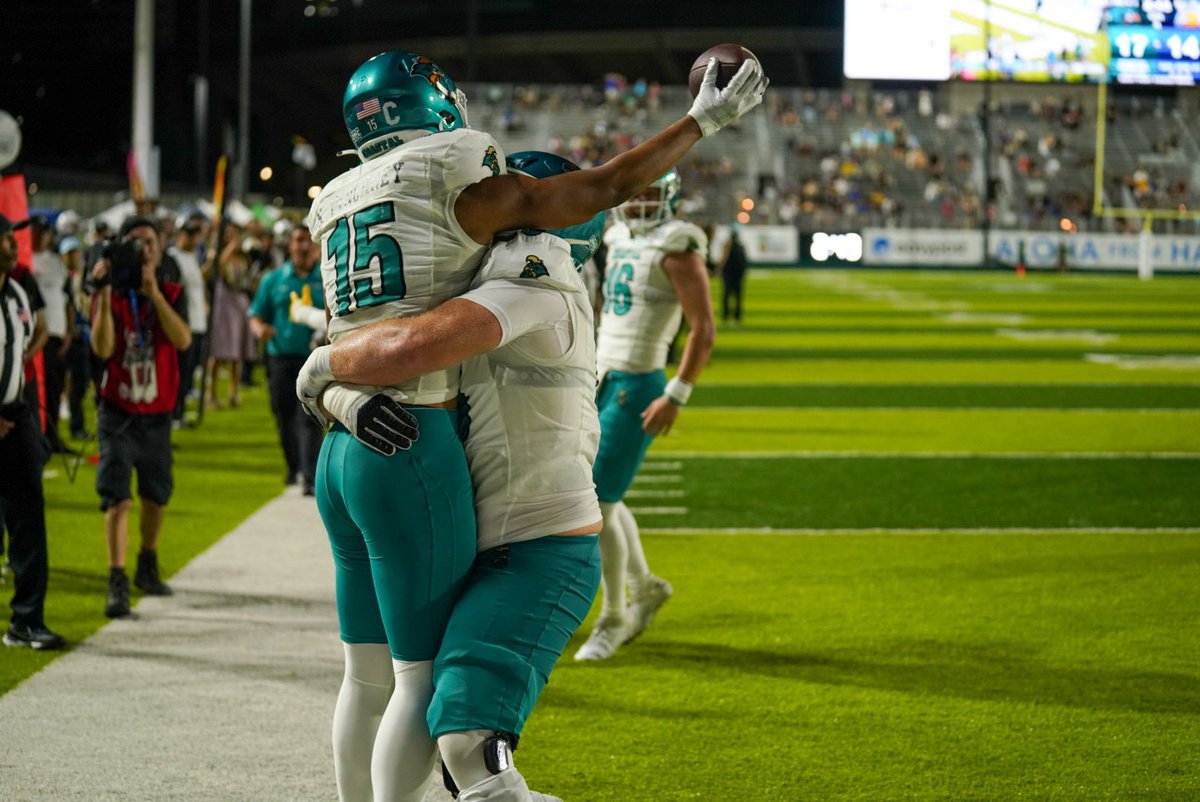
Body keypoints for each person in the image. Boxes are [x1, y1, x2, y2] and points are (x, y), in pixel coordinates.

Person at [297, 49, 765, 802]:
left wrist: (322, 374)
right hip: (410, 446)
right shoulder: (489, 227)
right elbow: (604, 188)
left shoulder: (356, 206)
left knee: (366, 674)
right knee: (414, 682)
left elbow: (374, 333)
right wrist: (701, 122)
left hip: (343, 444)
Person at [304, 151, 607, 802]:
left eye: (497, 201)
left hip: (538, 544)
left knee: (463, 741)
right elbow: (381, 349)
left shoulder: (530, 281)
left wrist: (324, 369)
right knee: (390, 686)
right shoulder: (486, 282)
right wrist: (339, 394)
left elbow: (403, 349)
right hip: (484, 532)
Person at [574, 168, 717, 662]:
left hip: (637, 384)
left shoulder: (678, 245)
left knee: (596, 504)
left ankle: (615, 615)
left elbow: (703, 329)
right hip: (602, 377)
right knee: (602, 497)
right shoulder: (615, 236)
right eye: (634, 196)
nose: (637, 205)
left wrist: (677, 393)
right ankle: (644, 586)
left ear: (668, 199)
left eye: (649, 196)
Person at [90, 216, 192, 619]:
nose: (144, 250)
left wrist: (155, 295)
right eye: (136, 244)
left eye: (150, 243)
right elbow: (102, 349)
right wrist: (101, 295)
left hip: (157, 413)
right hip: (117, 409)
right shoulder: (110, 293)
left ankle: (146, 563)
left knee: (156, 495)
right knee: (117, 497)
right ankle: (116, 579)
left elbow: (183, 339)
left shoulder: (169, 288)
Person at [0, 213, 65, 650]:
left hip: (16, 416)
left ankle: (26, 620)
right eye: (5, 237)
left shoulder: (17, 291)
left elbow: (26, 342)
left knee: (29, 520)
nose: (12, 244)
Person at [248, 224, 324, 494]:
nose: (304, 246)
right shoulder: (274, 279)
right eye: (299, 240)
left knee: (310, 416)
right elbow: (256, 314)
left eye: (308, 241)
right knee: (284, 416)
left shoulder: (327, 278)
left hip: (313, 358)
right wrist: (259, 329)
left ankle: (310, 474)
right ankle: (294, 467)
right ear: (290, 245)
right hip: (280, 357)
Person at [30, 217, 73, 452]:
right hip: (34, 335)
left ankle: (52, 436)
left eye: (43, 231)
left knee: (55, 387)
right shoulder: (25, 260)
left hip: (56, 334)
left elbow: (68, 300)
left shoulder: (57, 263)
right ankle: (37, 436)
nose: (40, 235)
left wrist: (68, 330)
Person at [205, 222, 253, 409]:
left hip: (239, 303)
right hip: (222, 304)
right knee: (218, 351)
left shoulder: (241, 258)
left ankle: (233, 393)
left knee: (236, 351)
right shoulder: (215, 254)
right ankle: (211, 394)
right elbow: (214, 270)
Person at [169, 216, 208, 427]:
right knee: (180, 372)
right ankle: (174, 413)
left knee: (189, 371)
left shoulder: (192, 257)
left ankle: (179, 411)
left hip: (197, 322)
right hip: (185, 324)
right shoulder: (173, 257)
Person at [59, 236, 92, 440]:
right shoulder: (59, 276)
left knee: (81, 381)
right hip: (63, 336)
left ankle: (76, 424)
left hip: (81, 335)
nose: (74, 256)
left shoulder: (84, 276)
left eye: (76, 252)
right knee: (61, 381)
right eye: (70, 253)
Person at [720, 224, 748, 325]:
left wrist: (719, 270)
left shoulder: (727, 246)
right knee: (736, 295)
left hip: (729, 274)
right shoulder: (740, 247)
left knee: (727, 295)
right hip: (736, 274)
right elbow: (744, 261)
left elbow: (723, 259)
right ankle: (736, 316)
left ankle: (727, 315)